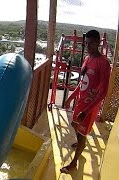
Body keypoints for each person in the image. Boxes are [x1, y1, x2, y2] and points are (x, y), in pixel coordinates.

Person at [60, 30, 111, 173]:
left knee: (82, 133)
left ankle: (73, 163)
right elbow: (82, 83)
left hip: (90, 106)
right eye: (86, 43)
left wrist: (87, 110)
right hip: (80, 103)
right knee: (74, 124)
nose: (88, 46)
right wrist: (70, 98)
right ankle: (81, 143)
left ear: (98, 43)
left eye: (91, 43)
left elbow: (103, 93)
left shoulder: (103, 63)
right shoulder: (87, 59)